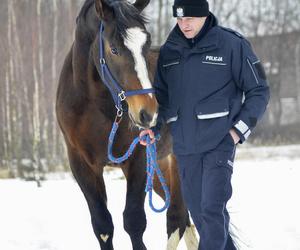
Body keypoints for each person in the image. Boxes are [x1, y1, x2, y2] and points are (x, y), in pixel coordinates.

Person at [139, 0, 270, 249]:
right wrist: (154, 129)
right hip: (185, 149)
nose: (183, 24)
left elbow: (259, 91)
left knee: (211, 211)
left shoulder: (232, 45)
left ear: (204, 15)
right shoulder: (169, 52)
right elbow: (164, 102)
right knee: (201, 215)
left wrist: (236, 132)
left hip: (219, 144)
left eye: (189, 19)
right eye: (179, 19)